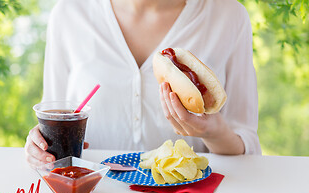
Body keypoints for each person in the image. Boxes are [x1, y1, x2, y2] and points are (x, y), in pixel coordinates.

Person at [25, 0, 262, 166]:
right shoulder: (69, 13)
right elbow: (53, 116)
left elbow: (246, 142)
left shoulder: (229, 16)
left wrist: (212, 132)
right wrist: (40, 146)